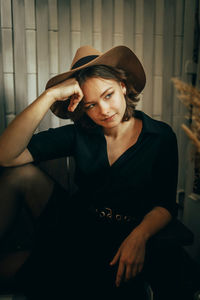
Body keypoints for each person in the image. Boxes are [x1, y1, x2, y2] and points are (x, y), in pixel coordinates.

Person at [0, 45, 184, 299]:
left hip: (121, 238)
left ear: (122, 85)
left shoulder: (160, 136)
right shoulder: (80, 133)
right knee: (18, 175)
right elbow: (6, 155)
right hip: (74, 226)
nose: (104, 111)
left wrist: (139, 236)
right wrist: (50, 95)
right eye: (91, 105)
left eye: (108, 95)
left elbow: (164, 204)